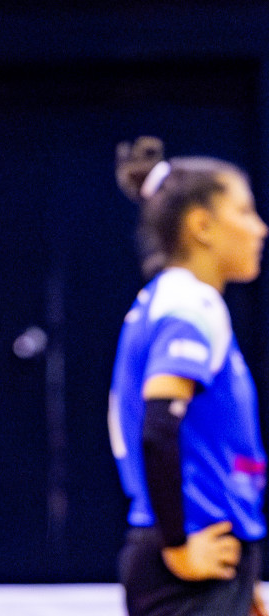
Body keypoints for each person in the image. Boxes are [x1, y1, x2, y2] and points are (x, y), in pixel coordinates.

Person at [110, 136, 269, 616]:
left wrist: (244, 587)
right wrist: (178, 544)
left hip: (211, 555)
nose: (260, 229)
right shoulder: (190, 305)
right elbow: (158, 426)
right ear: (202, 226)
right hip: (189, 562)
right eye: (244, 212)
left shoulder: (173, 299)